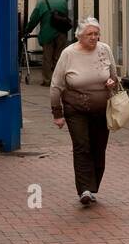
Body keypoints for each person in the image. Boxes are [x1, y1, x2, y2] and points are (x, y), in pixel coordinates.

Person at [50, 16, 119, 205]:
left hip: (101, 108)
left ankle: (93, 185)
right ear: (80, 35)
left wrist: (113, 82)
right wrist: (57, 113)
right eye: (90, 34)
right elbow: (56, 85)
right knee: (82, 146)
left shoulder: (105, 50)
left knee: (99, 147)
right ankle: (85, 190)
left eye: (97, 34)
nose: (94, 37)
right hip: (75, 108)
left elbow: (114, 76)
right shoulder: (68, 54)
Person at [25, 0, 70, 88]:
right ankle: (59, 80)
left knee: (47, 58)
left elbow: (34, 19)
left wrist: (27, 30)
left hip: (47, 34)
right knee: (59, 57)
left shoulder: (42, 2)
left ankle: (47, 80)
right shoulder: (62, 1)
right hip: (61, 33)